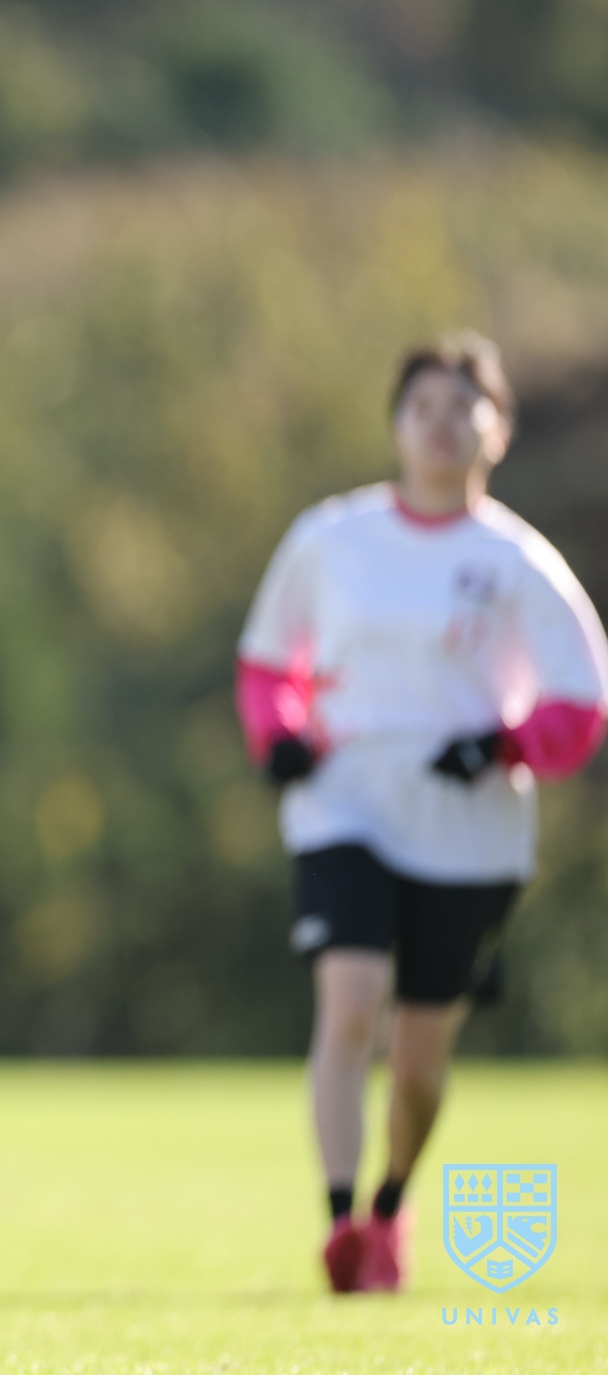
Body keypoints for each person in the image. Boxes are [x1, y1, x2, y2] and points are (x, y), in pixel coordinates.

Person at [236, 331, 606, 1295]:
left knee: (417, 1059)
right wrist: (279, 737)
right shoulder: (331, 539)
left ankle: (391, 1207)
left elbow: (580, 702)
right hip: (344, 806)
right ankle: (339, 1223)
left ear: (499, 430)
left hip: (469, 833)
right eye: (422, 408)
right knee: (350, 1004)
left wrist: (501, 746)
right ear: (396, 426)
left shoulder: (518, 563)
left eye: (462, 408)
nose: (440, 427)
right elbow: (269, 664)